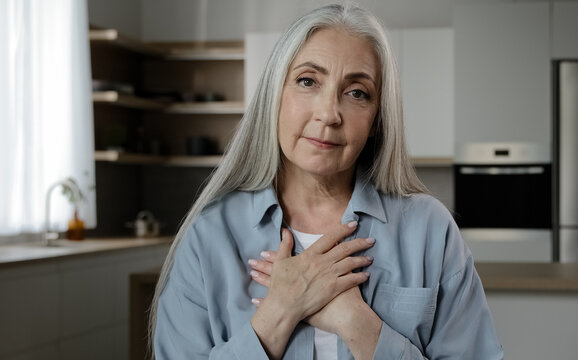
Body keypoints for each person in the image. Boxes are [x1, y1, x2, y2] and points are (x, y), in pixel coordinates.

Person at [150, 3, 503, 359]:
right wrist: (279, 313)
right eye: (308, 81)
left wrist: (354, 321)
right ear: (276, 95)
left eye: (357, 93)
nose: (329, 114)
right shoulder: (210, 234)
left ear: (377, 119)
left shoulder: (430, 230)